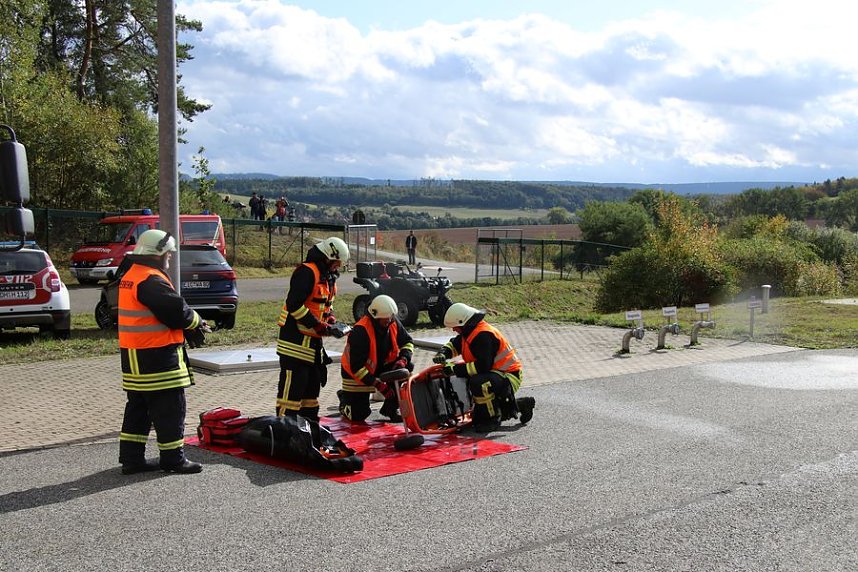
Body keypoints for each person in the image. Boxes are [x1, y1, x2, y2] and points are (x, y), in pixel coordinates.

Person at [117, 229, 211, 475]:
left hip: (135, 356)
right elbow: (176, 310)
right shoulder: (151, 279)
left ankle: (131, 459)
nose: (170, 257)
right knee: (170, 408)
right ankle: (173, 459)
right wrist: (197, 322)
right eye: (168, 253)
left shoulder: (132, 275)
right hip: (157, 357)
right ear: (157, 253)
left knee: (138, 408)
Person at [275, 236, 349, 420]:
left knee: (311, 394)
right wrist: (317, 325)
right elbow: (294, 305)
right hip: (294, 345)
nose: (338, 267)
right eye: (337, 262)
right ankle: (285, 429)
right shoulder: (306, 272)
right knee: (292, 394)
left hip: (312, 347)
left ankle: (308, 429)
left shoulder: (328, 278)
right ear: (328, 257)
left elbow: (325, 306)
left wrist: (330, 320)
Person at [433, 303, 535, 432]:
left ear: (463, 323)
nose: (454, 330)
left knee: (479, 382)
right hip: (496, 375)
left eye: (456, 327)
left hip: (509, 376)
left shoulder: (483, 336)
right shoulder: (469, 332)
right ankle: (521, 405)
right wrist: (443, 353)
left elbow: (483, 366)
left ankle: (493, 419)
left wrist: (454, 369)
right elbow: (455, 344)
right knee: (477, 418)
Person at [338, 295, 414, 423]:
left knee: (407, 368)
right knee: (359, 415)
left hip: (380, 366)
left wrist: (403, 359)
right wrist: (380, 386)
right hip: (355, 374)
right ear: (375, 317)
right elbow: (356, 368)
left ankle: (390, 409)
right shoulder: (360, 331)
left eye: (391, 317)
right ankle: (344, 402)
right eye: (386, 319)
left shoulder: (392, 321)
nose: (389, 321)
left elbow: (408, 342)